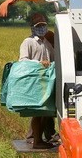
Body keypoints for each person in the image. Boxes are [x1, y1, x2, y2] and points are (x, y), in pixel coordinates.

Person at [19, 13, 56, 149]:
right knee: (37, 112)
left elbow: (53, 59)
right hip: (34, 81)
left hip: (46, 81)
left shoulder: (46, 43)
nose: (41, 28)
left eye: (43, 25)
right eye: (38, 26)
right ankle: (36, 141)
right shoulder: (28, 42)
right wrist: (39, 63)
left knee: (44, 112)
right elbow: (23, 61)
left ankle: (39, 139)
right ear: (32, 28)